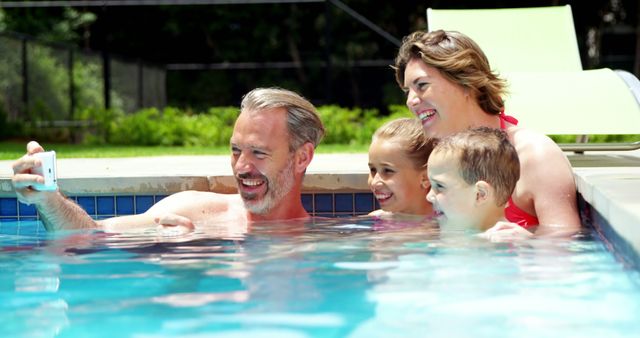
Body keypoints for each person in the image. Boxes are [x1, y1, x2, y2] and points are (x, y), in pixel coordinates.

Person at [11, 87, 325, 232]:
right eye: (235, 150)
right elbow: (88, 236)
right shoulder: (194, 211)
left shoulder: (327, 240)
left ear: (302, 157)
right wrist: (49, 200)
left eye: (258, 152)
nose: (242, 167)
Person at [394, 29, 581, 236]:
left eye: (421, 85)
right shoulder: (437, 156)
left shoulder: (533, 156)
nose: (410, 101)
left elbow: (568, 241)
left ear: (466, 83)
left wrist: (528, 243)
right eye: (407, 90)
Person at [426, 127, 521, 233]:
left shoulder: (509, 241)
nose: (428, 196)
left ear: (480, 194)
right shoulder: (456, 233)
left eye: (439, 186)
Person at [367, 117, 434, 219]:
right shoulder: (376, 219)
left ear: (425, 177)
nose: (374, 182)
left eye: (388, 170)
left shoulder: (446, 225)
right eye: (373, 170)